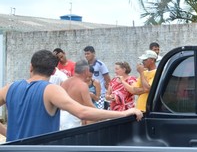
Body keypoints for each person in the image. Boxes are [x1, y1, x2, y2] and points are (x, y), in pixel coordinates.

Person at [0, 50, 143, 141]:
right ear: (54, 71)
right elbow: (83, 112)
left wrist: (8, 134)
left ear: (31, 66)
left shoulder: (9, 88)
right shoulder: (51, 90)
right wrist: (124, 114)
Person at [59, 59, 97, 130]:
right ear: (86, 71)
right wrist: (102, 116)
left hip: (61, 117)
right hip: (73, 119)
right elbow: (89, 105)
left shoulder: (65, 82)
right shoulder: (82, 85)